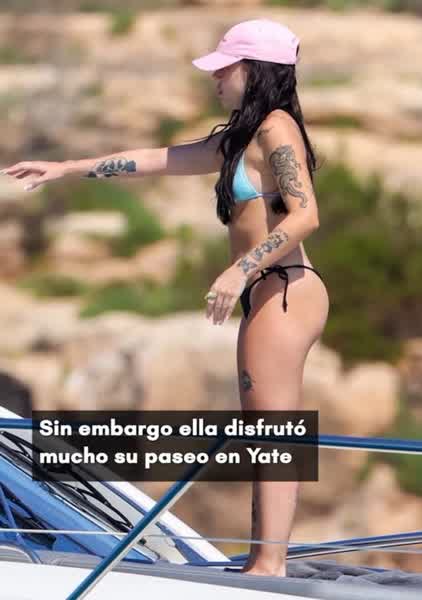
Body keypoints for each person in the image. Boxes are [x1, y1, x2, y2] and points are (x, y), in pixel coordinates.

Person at [0, 17, 330, 578]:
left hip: (283, 290)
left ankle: (268, 567)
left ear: (255, 71)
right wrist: (68, 168)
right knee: (265, 428)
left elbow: (306, 215)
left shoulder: (277, 130)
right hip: (271, 290)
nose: (215, 79)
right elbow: (159, 158)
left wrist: (239, 270)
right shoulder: (242, 137)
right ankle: (264, 561)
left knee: (271, 431)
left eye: (224, 69)